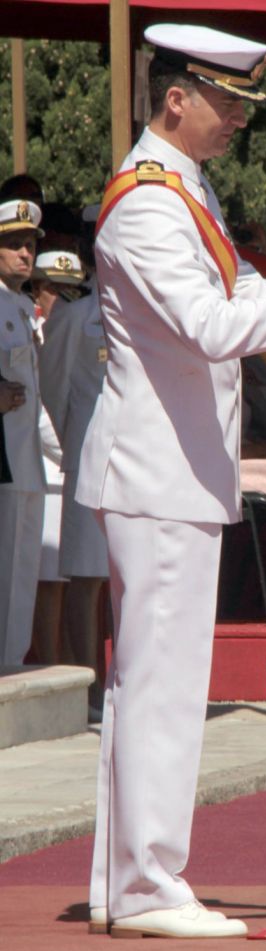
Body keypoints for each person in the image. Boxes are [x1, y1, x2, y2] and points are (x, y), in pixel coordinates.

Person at [75, 22, 266, 940]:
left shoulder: (182, 189)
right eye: (228, 102)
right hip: (155, 470)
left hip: (168, 468)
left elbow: (244, 289)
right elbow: (213, 326)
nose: (239, 120)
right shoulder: (145, 203)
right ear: (177, 99)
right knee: (161, 686)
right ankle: (146, 885)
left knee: (150, 683)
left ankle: (122, 880)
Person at [39, 231, 110, 715]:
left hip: (140, 461)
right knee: (86, 578)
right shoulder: (77, 315)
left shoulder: (152, 315)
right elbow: (53, 387)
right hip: (89, 457)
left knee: (121, 580)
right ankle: (89, 685)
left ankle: (116, 683)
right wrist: (71, 452)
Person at [0, 199, 47, 667]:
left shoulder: (23, 306)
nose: (24, 253)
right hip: (5, 461)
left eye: (30, 244)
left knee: (23, 570)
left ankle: (10, 662)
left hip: (28, 458)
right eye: (13, 244)